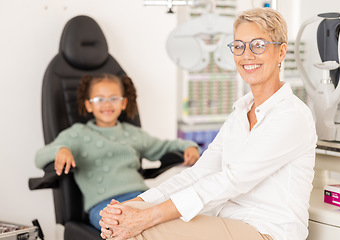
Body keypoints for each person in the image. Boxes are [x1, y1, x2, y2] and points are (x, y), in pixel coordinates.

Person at [99, 8, 317, 240]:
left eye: (258, 45)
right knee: (121, 223)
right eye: (239, 46)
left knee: (141, 230)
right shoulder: (240, 114)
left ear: (281, 52)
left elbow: (231, 180)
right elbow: (199, 173)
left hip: (266, 230)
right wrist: (135, 205)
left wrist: (148, 216)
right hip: (227, 222)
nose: (247, 55)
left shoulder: (291, 116)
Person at [34, 73, 200, 230]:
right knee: (131, 228)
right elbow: (40, 156)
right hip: (103, 205)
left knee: (179, 221)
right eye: (99, 99)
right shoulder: (77, 134)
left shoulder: (132, 133)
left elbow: (165, 146)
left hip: (142, 198)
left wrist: (189, 146)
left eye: (113, 98)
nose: (107, 104)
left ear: (123, 103)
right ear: (89, 105)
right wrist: (61, 150)